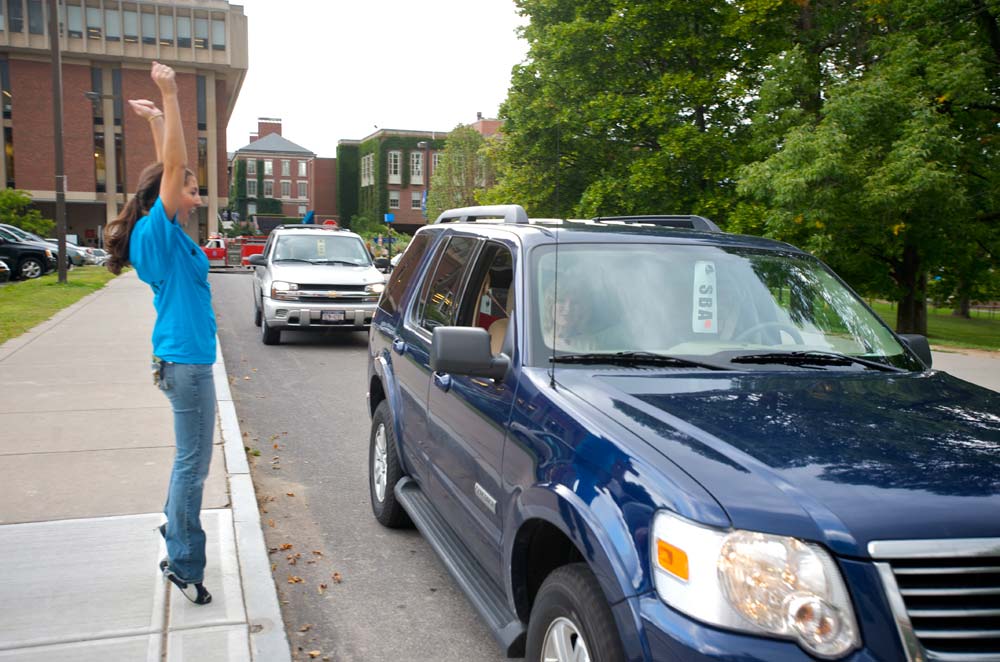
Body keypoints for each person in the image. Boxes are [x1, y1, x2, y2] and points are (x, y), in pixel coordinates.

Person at [104, 62, 215, 606]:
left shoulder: (158, 230)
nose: (196, 195)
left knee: (186, 460)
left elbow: (164, 169)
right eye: (191, 190)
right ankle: (183, 560)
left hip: (183, 362)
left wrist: (152, 122)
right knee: (193, 466)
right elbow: (172, 167)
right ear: (169, 196)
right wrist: (169, 94)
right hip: (186, 365)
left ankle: (175, 534)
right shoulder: (159, 233)